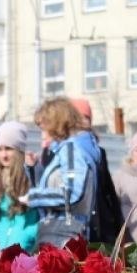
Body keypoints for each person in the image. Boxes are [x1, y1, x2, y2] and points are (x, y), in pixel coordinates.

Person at [25, 97, 100, 247]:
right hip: (62, 232)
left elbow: (72, 193)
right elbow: (58, 185)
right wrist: (34, 169)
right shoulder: (69, 150)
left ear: (56, 124)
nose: (42, 134)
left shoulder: (71, 149)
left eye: (44, 128)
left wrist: (34, 197)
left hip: (63, 234)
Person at [70, 97, 123, 245]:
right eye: (78, 117)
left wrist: (117, 225)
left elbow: (109, 191)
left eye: (86, 117)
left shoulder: (98, 152)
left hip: (101, 222)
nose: (82, 121)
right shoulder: (63, 151)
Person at [0, 121, 39, 251]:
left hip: (22, 243)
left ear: (19, 150)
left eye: (8, 148)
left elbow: (39, 218)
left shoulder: (31, 174)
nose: (3, 155)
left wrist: (29, 235)